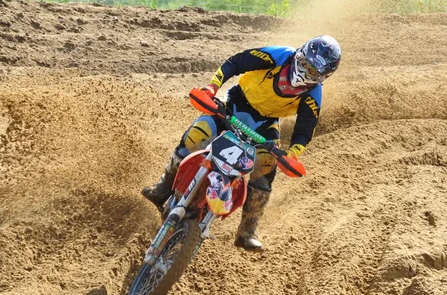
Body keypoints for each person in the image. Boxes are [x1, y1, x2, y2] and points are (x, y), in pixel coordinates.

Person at [141, 35, 342, 251]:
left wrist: (291, 154)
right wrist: (212, 87)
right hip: (235, 103)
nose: (304, 72)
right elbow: (235, 62)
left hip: (265, 124)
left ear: (323, 76)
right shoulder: (279, 55)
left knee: (266, 166)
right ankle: (163, 186)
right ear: (299, 55)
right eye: (304, 64)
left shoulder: (313, 95)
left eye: (312, 71)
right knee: (199, 133)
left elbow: (305, 130)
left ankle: (247, 231)